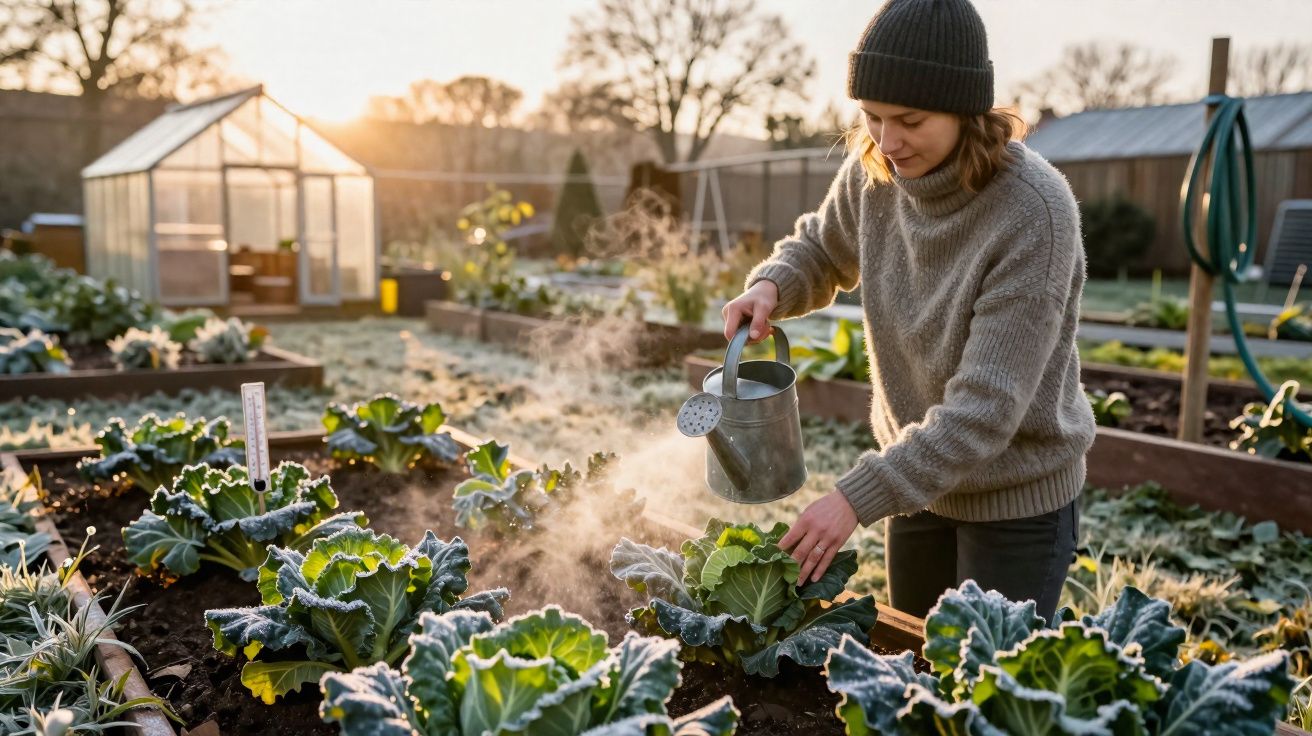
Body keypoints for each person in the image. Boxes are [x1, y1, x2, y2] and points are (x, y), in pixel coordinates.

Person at [721, 0, 1096, 620]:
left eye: (910, 120)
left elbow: (984, 410)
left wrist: (853, 499)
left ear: (966, 108)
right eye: (871, 117)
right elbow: (822, 247)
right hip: (919, 489)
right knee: (916, 679)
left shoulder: (1034, 211)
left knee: (984, 696)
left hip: (1016, 502)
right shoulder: (875, 173)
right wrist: (773, 287)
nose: (888, 141)